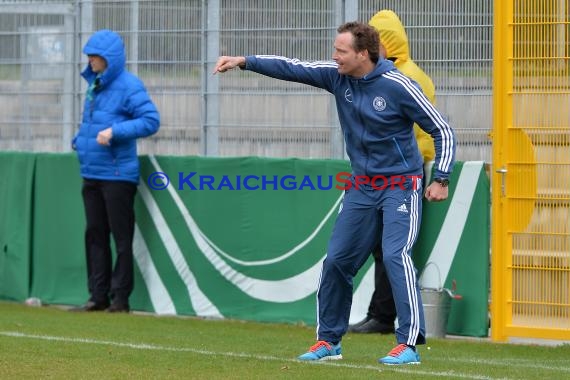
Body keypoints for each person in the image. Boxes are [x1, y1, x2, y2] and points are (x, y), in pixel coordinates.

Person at [213, 21, 455, 365]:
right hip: (361, 186)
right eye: (335, 49)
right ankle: (328, 341)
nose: (334, 56)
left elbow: (442, 129)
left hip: (401, 184)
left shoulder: (399, 85)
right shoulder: (336, 75)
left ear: (363, 53)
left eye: (341, 51)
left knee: (394, 255)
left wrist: (441, 178)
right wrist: (244, 61)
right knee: (338, 260)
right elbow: (293, 67)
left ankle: (409, 344)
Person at [349, 9, 438, 335]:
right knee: (386, 249)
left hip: (401, 174)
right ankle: (385, 315)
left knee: (392, 249)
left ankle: (388, 319)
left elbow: (417, 129)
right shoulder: (395, 74)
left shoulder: (401, 78)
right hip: (389, 172)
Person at [71, 29, 160, 313]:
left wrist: (115, 131)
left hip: (118, 175)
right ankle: (97, 296)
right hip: (92, 172)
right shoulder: (94, 85)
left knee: (121, 238)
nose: (90, 61)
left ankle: (120, 298)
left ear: (109, 58)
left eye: (94, 57)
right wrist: (80, 139)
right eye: (89, 57)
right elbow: (92, 123)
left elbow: (150, 121)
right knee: (94, 234)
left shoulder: (129, 85)